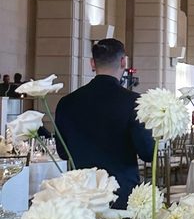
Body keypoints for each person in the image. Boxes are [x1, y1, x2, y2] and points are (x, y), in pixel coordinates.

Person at [54, 38, 154, 209]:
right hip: (122, 195)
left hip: (81, 196)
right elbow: (148, 152)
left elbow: (63, 152)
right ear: (123, 62)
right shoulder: (135, 102)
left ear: (92, 63)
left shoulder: (67, 102)